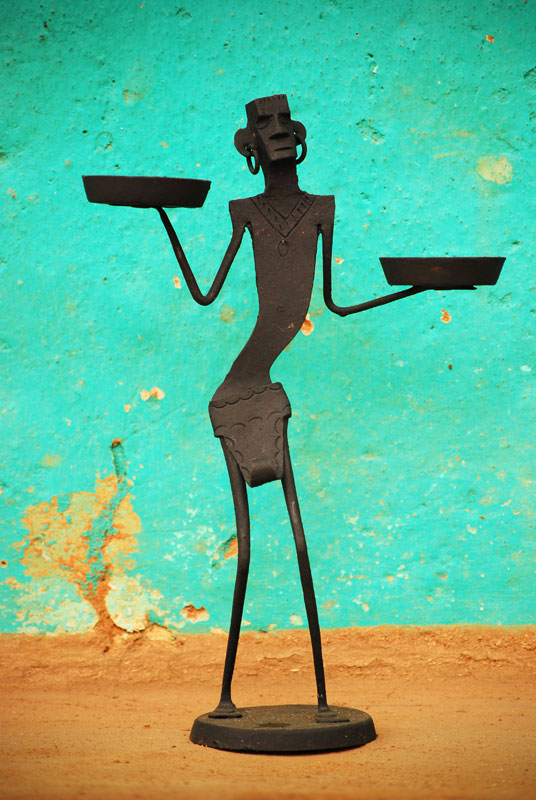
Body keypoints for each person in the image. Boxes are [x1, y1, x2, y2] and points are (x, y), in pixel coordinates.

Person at [156, 93, 347, 723]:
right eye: (265, 124)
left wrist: (421, 285)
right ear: (250, 145)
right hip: (239, 390)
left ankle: (322, 701)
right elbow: (206, 294)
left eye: (285, 120)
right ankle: (225, 697)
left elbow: (333, 302)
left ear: (300, 136)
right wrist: (163, 214)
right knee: (247, 551)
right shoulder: (244, 211)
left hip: (265, 386)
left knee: (300, 543)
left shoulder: (322, 209)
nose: (278, 130)